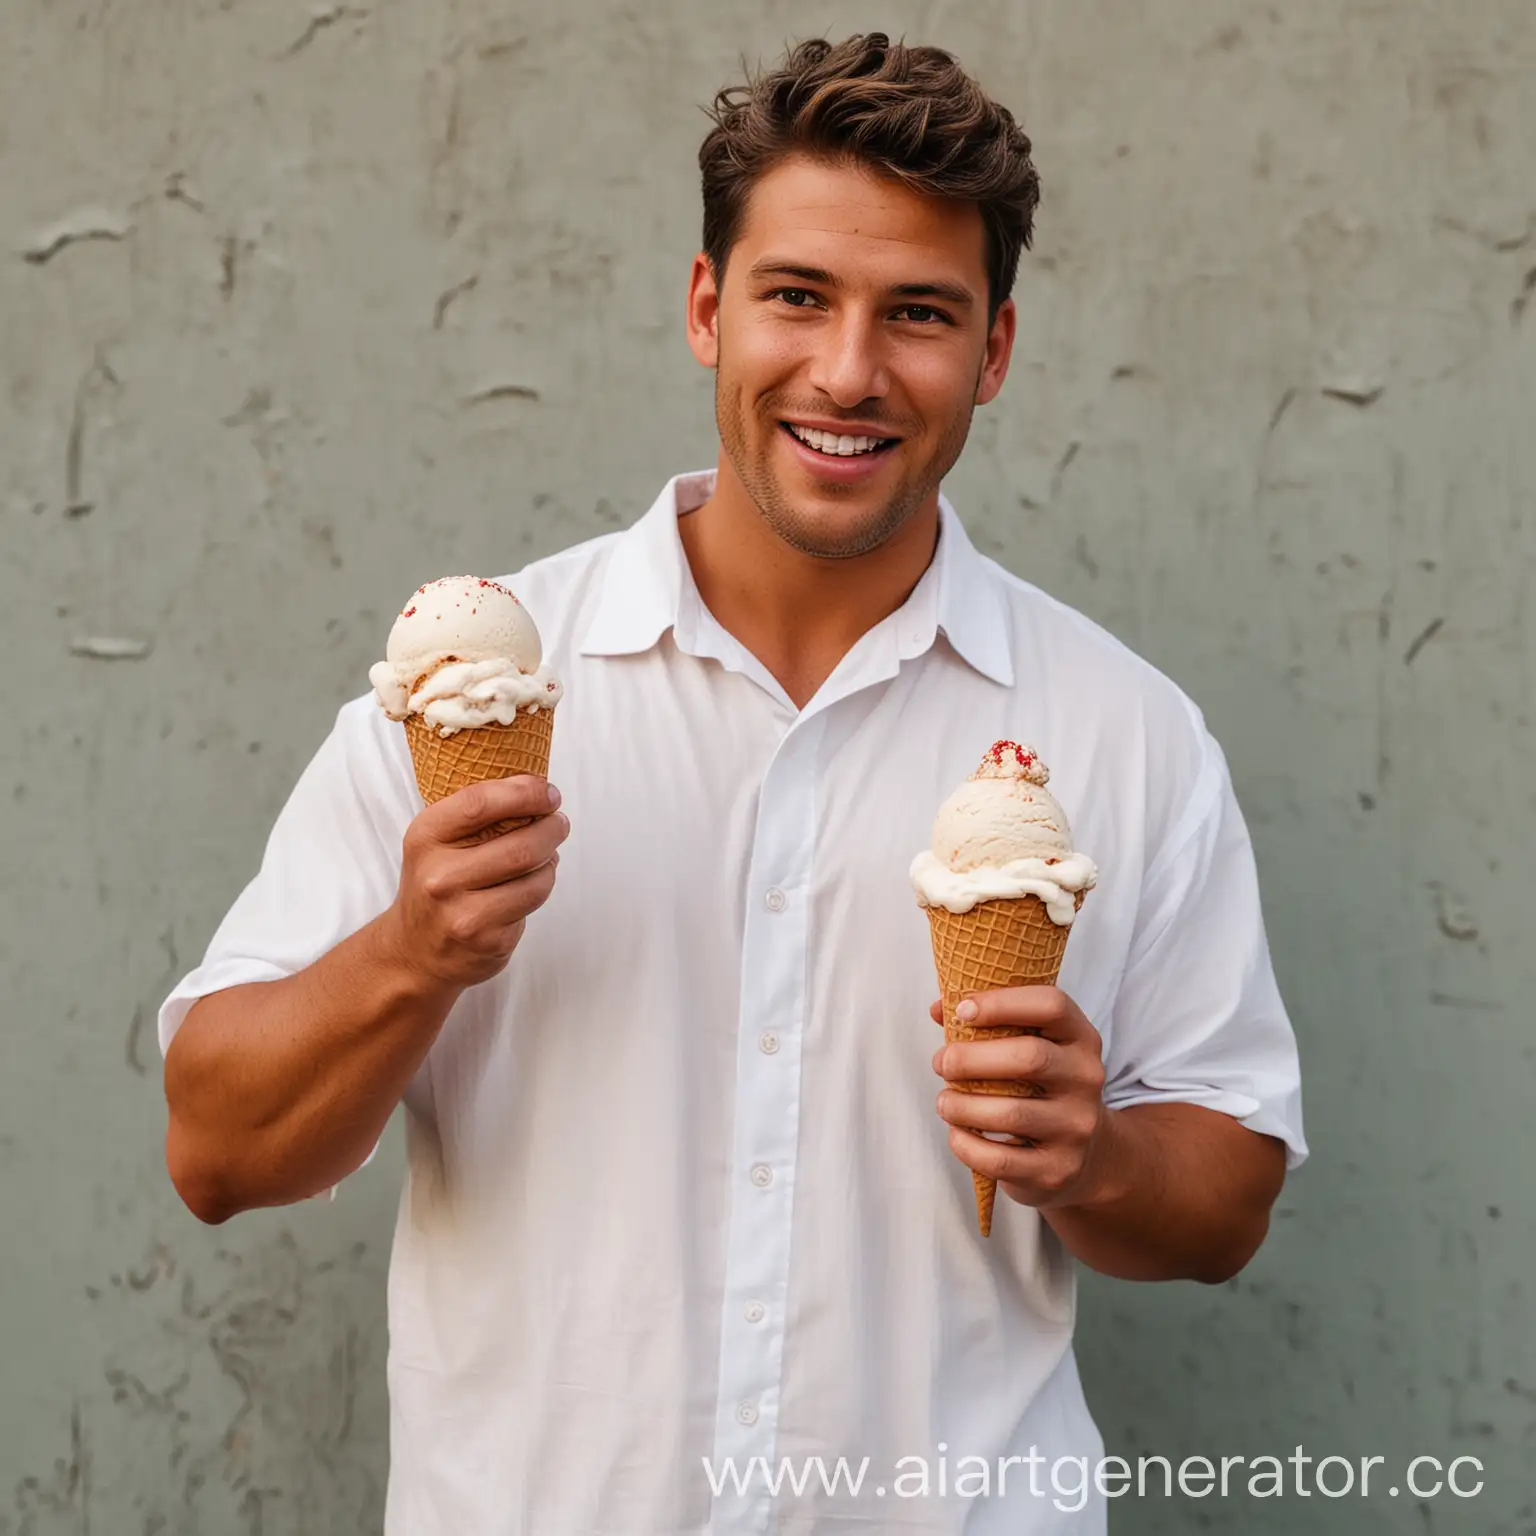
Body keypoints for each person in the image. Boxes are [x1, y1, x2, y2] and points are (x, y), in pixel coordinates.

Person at [159, 33, 1305, 1535]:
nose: (849, 369)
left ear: (996, 351)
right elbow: (217, 1152)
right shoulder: (476, 682)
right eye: (796, 296)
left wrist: (1095, 1154)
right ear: (708, 309)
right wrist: (410, 954)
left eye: (918, 315)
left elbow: (1223, 1207)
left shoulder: (1125, 731)